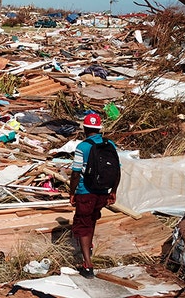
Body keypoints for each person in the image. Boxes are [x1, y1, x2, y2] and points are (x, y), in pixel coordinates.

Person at [69, 113, 120, 279]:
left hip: (86, 191)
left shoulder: (82, 147)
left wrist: (72, 192)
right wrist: (113, 191)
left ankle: (88, 265)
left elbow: (76, 173)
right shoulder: (109, 144)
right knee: (91, 220)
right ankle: (88, 248)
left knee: (83, 225)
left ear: (84, 128)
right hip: (102, 192)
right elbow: (117, 170)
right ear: (99, 128)